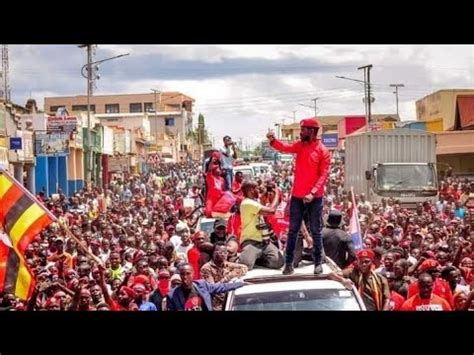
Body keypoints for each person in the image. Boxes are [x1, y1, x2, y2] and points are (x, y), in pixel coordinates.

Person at [267, 118, 331, 275]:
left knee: (315, 230)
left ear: (311, 131)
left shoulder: (323, 151)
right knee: (293, 231)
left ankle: (318, 263)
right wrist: (273, 140)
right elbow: (284, 147)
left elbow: (323, 175)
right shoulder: (300, 146)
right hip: (297, 196)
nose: (301, 132)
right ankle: (288, 264)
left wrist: (312, 193)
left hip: (314, 198)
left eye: (303, 130)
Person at [238, 181, 284, 270]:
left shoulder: (255, 202)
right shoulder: (247, 203)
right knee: (246, 265)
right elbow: (271, 210)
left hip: (264, 241)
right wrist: (277, 192)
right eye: (257, 189)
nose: (259, 191)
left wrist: (269, 192)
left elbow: (264, 201)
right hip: (251, 241)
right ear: (251, 190)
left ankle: (258, 259)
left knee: (279, 262)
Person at [166, 263, 244, 311]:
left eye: (188, 273)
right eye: (182, 274)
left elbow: (221, 287)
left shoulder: (202, 285)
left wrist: (241, 284)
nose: (185, 276)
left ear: (193, 274)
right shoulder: (172, 295)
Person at [200, 244, 248, 310]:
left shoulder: (227, 264)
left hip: (231, 301)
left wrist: (233, 274)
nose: (223, 254)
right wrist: (227, 278)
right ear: (213, 253)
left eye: (225, 252)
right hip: (216, 305)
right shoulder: (206, 268)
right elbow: (212, 288)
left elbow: (244, 268)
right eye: (220, 252)